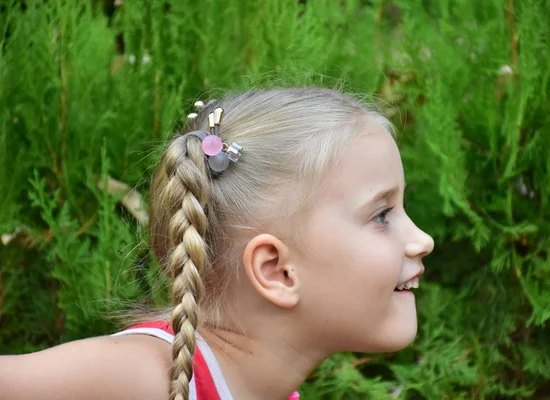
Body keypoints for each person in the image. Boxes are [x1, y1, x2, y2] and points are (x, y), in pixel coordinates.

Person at [0, 87, 434, 400]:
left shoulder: (265, 388)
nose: (423, 240)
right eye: (382, 215)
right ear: (276, 270)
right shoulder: (142, 376)